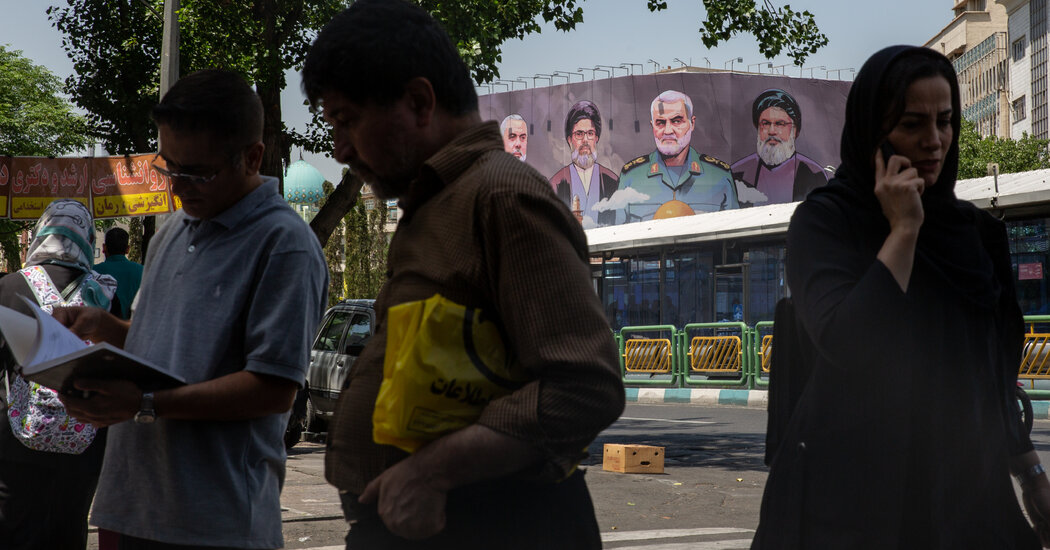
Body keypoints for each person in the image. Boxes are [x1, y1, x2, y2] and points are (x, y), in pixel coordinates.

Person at [301, 1, 625, 547]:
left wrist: (432, 472)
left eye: (348, 120)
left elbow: (584, 386)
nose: (341, 148)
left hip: (491, 526)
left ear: (419, 101)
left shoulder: (501, 196)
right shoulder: (436, 203)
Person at [752, 46, 1050, 549]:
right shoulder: (827, 223)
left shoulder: (975, 234)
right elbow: (849, 342)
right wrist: (904, 230)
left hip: (967, 499)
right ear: (874, 129)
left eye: (945, 121)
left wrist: (1030, 474)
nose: (934, 140)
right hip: (852, 506)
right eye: (912, 124)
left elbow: (990, 377)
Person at [55, 69, 328, 549]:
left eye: (198, 173)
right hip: (132, 507)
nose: (179, 186)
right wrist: (108, 329)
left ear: (253, 157)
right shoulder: (174, 232)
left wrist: (143, 404)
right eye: (170, 168)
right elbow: (164, 347)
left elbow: (273, 387)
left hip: (215, 523)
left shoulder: (284, 244)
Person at [0, 199, 117, 550]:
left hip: (16, 437)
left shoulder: (11, 285)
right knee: (69, 528)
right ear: (87, 237)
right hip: (84, 435)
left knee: (15, 531)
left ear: (41, 233)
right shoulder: (103, 290)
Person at [619, 90, 739, 222]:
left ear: (692, 123)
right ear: (652, 126)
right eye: (660, 123)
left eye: (676, 121)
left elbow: (733, 230)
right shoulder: (631, 178)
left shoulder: (720, 177)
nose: (668, 131)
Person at [730, 89, 828, 207]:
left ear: (795, 130)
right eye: (765, 123)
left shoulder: (814, 173)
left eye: (780, 124)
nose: (772, 131)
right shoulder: (737, 173)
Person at [549, 100, 619, 227]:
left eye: (590, 133)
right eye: (579, 134)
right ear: (570, 140)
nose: (585, 140)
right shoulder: (555, 184)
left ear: (596, 138)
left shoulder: (612, 182)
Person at [91, 227, 143, 320]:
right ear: (127, 249)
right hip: (133, 326)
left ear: (104, 247)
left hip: (102, 327)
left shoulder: (92, 272)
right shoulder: (142, 271)